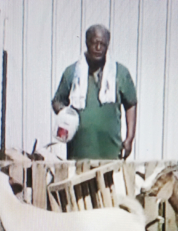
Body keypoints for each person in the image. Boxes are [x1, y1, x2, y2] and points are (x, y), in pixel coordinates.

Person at [52, 24, 138, 160]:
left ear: (108, 45)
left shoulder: (120, 73)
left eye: (102, 44)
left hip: (110, 154)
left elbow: (131, 103)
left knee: (109, 182)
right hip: (79, 155)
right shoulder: (73, 73)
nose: (98, 48)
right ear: (86, 43)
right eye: (94, 43)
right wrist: (67, 116)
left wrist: (130, 138)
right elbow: (57, 101)